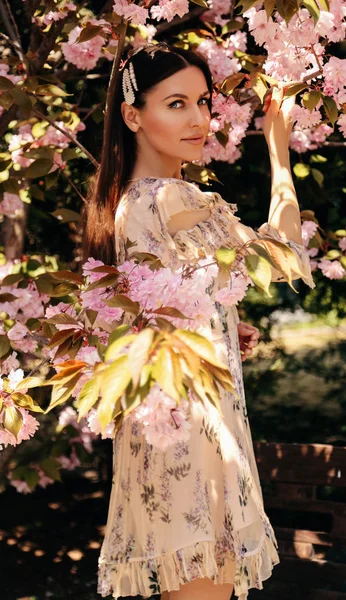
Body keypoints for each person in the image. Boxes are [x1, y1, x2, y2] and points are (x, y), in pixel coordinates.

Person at [83, 42, 315, 600]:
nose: (198, 120)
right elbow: (284, 253)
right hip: (192, 438)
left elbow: (150, 310)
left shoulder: (128, 202)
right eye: (177, 103)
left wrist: (218, 322)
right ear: (133, 115)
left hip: (165, 433)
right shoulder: (172, 197)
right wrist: (278, 145)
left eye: (203, 102)